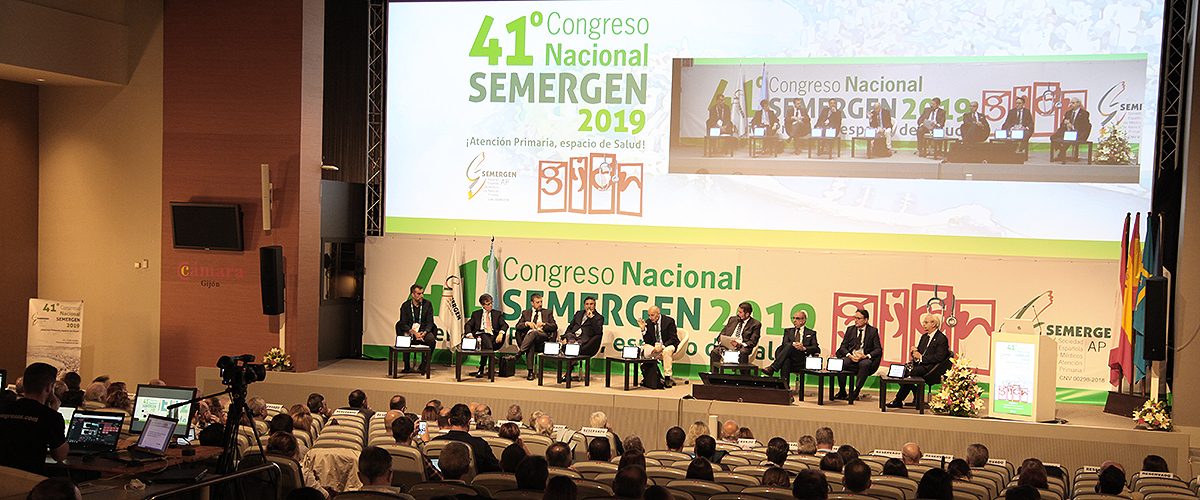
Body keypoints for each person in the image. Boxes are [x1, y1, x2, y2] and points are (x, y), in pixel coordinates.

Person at [0, 362, 67, 475]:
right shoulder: (49, 416)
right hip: (29, 480)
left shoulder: (3, 409)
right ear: (49, 387)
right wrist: (53, 413)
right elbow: (60, 456)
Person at [888, 313, 951, 408]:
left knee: (911, 372)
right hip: (920, 364)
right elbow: (919, 353)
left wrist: (921, 357)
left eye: (926, 322)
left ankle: (899, 399)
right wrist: (914, 352)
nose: (923, 324)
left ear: (933, 324)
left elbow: (940, 357)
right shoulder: (924, 337)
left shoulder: (941, 339)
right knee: (901, 371)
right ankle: (916, 394)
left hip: (931, 368)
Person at [431, 403, 501, 473]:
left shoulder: (434, 442)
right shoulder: (480, 445)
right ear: (469, 422)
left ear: (449, 421)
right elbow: (495, 469)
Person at [834, 308, 882, 402]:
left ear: (866, 320)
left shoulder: (873, 331)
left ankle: (856, 392)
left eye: (858, 318)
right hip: (851, 356)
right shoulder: (850, 329)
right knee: (841, 363)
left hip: (864, 357)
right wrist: (849, 355)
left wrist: (866, 356)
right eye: (855, 318)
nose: (856, 320)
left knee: (865, 364)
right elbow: (843, 347)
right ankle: (842, 391)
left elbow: (878, 349)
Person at [763, 309, 820, 378]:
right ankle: (784, 387)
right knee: (786, 360)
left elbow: (816, 348)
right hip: (791, 357)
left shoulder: (811, 333)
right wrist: (794, 345)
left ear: (804, 320)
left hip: (802, 358)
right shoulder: (788, 331)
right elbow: (784, 344)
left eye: (797, 318)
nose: (794, 320)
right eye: (793, 318)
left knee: (789, 348)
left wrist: (804, 348)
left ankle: (773, 368)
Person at [395, 284, 437, 374]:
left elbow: (430, 322)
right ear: (412, 295)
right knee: (405, 338)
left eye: (422, 293)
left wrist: (424, 332)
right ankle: (406, 366)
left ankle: (424, 365)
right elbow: (403, 323)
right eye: (418, 293)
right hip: (410, 331)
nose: (421, 295)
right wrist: (414, 333)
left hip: (423, 331)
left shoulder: (427, 304)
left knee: (431, 340)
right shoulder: (405, 306)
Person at [464, 293, 508, 377]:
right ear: (482, 305)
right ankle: (492, 356)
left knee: (486, 341)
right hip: (479, 337)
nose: (490, 305)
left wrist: (501, 333)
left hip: (493, 337)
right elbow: (468, 325)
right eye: (488, 304)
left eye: (491, 303)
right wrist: (470, 335)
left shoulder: (497, 314)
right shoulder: (476, 314)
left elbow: (504, 325)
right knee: (484, 336)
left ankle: (481, 368)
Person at [710, 302, 762, 374]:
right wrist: (721, 341)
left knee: (743, 352)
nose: (738, 314)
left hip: (741, 348)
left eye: (740, 312)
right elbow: (722, 333)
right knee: (715, 352)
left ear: (747, 314)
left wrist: (740, 345)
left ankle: (745, 378)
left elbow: (753, 341)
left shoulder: (755, 324)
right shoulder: (733, 320)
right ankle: (714, 376)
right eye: (738, 311)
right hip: (728, 347)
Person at [516, 293, 558, 380]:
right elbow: (518, 326)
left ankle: (520, 353)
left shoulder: (547, 312)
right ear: (532, 303)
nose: (540, 304)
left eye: (541, 302)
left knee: (534, 333)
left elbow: (554, 326)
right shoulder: (525, 313)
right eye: (538, 302)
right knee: (531, 343)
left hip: (543, 337)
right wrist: (527, 323)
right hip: (530, 340)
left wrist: (544, 324)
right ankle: (530, 372)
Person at [638, 305, 680, 387]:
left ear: (658, 314)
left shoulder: (669, 321)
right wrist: (643, 329)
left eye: (652, 315)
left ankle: (667, 377)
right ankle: (648, 376)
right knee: (644, 349)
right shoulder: (649, 322)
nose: (650, 317)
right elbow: (648, 341)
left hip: (668, 345)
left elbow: (673, 339)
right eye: (649, 315)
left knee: (666, 351)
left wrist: (663, 346)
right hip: (656, 347)